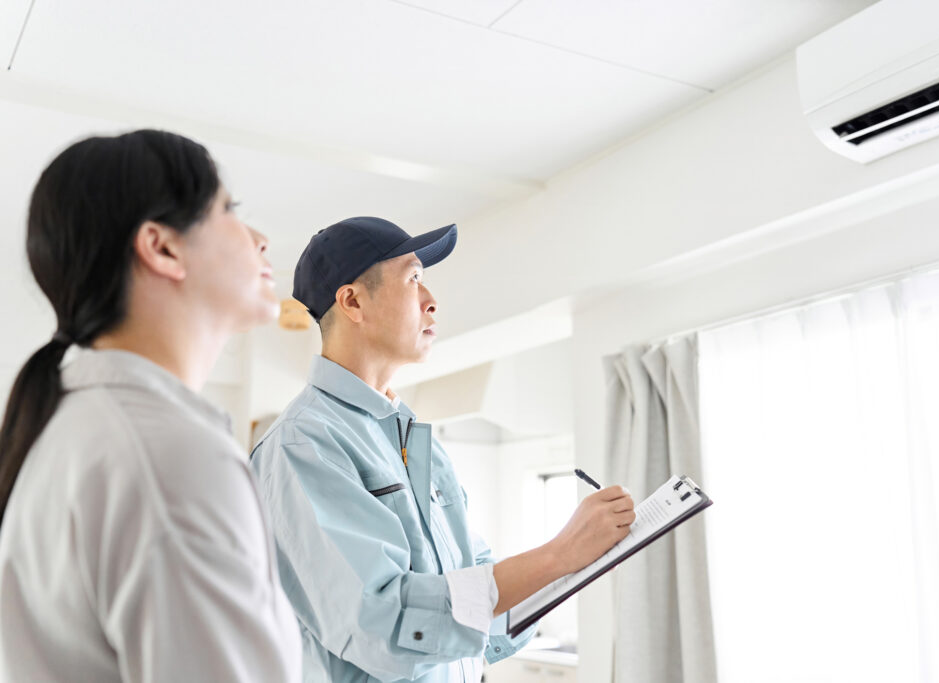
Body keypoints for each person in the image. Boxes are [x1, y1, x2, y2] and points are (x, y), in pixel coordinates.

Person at [250, 216, 636, 682]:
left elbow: (485, 619)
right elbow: (385, 625)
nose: (432, 303)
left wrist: (576, 560)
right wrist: (558, 555)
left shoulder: (413, 439)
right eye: (413, 280)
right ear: (352, 300)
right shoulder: (303, 443)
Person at [0, 130, 301, 682]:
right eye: (228, 209)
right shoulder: (169, 457)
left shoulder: (72, 428)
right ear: (162, 247)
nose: (258, 239)